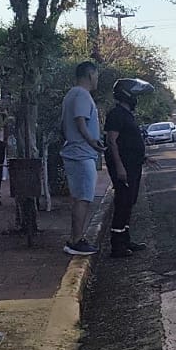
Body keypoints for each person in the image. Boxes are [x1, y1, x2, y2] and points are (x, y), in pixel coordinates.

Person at [105, 77, 153, 258]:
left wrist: (143, 157)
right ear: (126, 95)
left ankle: (125, 240)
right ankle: (117, 246)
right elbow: (112, 141)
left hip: (132, 165)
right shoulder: (116, 114)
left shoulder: (126, 115)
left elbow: (128, 141)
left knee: (130, 202)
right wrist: (119, 167)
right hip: (123, 167)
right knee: (123, 202)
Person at [60, 61, 104, 256]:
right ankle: (76, 240)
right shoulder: (81, 94)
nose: (97, 80)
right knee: (84, 197)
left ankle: (76, 238)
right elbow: (80, 121)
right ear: (90, 74)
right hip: (81, 152)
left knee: (80, 197)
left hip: (78, 151)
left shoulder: (72, 94)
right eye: (96, 76)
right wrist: (92, 141)